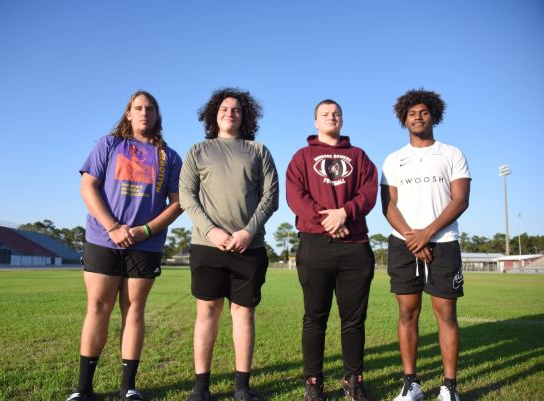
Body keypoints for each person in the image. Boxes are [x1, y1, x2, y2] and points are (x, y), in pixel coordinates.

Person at [67, 90, 183, 401]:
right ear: (128, 114)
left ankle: (128, 387)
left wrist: (145, 231)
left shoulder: (169, 157)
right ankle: (83, 389)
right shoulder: (109, 144)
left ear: (157, 116)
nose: (144, 112)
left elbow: (178, 203)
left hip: (145, 246)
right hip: (103, 239)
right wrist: (113, 227)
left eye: (150, 108)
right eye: (138, 108)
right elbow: (87, 187)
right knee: (98, 307)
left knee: (134, 310)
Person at [179, 88, 279, 401]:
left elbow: (271, 197)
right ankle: (200, 388)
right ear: (214, 114)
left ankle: (242, 387)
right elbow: (187, 197)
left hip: (249, 247)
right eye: (224, 108)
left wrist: (248, 232)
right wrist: (211, 231)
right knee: (207, 313)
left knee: (243, 314)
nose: (230, 113)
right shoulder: (198, 151)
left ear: (245, 116)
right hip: (207, 246)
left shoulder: (258, 150)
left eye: (236, 109)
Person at [380, 89, 471, 401]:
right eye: (411, 114)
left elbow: (460, 200)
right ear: (404, 119)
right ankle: (411, 384)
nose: (417, 117)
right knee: (408, 312)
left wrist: (427, 234)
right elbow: (388, 205)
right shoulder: (394, 159)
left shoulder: (452, 154)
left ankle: (449, 387)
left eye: (423, 112)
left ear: (434, 116)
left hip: (443, 243)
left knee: (446, 314)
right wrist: (413, 237)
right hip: (403, 244)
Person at [286, 99, 378, 401]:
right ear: (315, 121)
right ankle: (313, 383)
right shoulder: (302, 157)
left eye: (336, 113)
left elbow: (369, 192)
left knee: (354, 320)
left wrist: (345, 213)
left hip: (354, 246)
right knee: (315, 318)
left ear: (342, 119)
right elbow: (295, 196)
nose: (331, 117)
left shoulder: (359, 156)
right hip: (315, 245)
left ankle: (354, 380)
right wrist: (328, 220)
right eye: (324, 114)